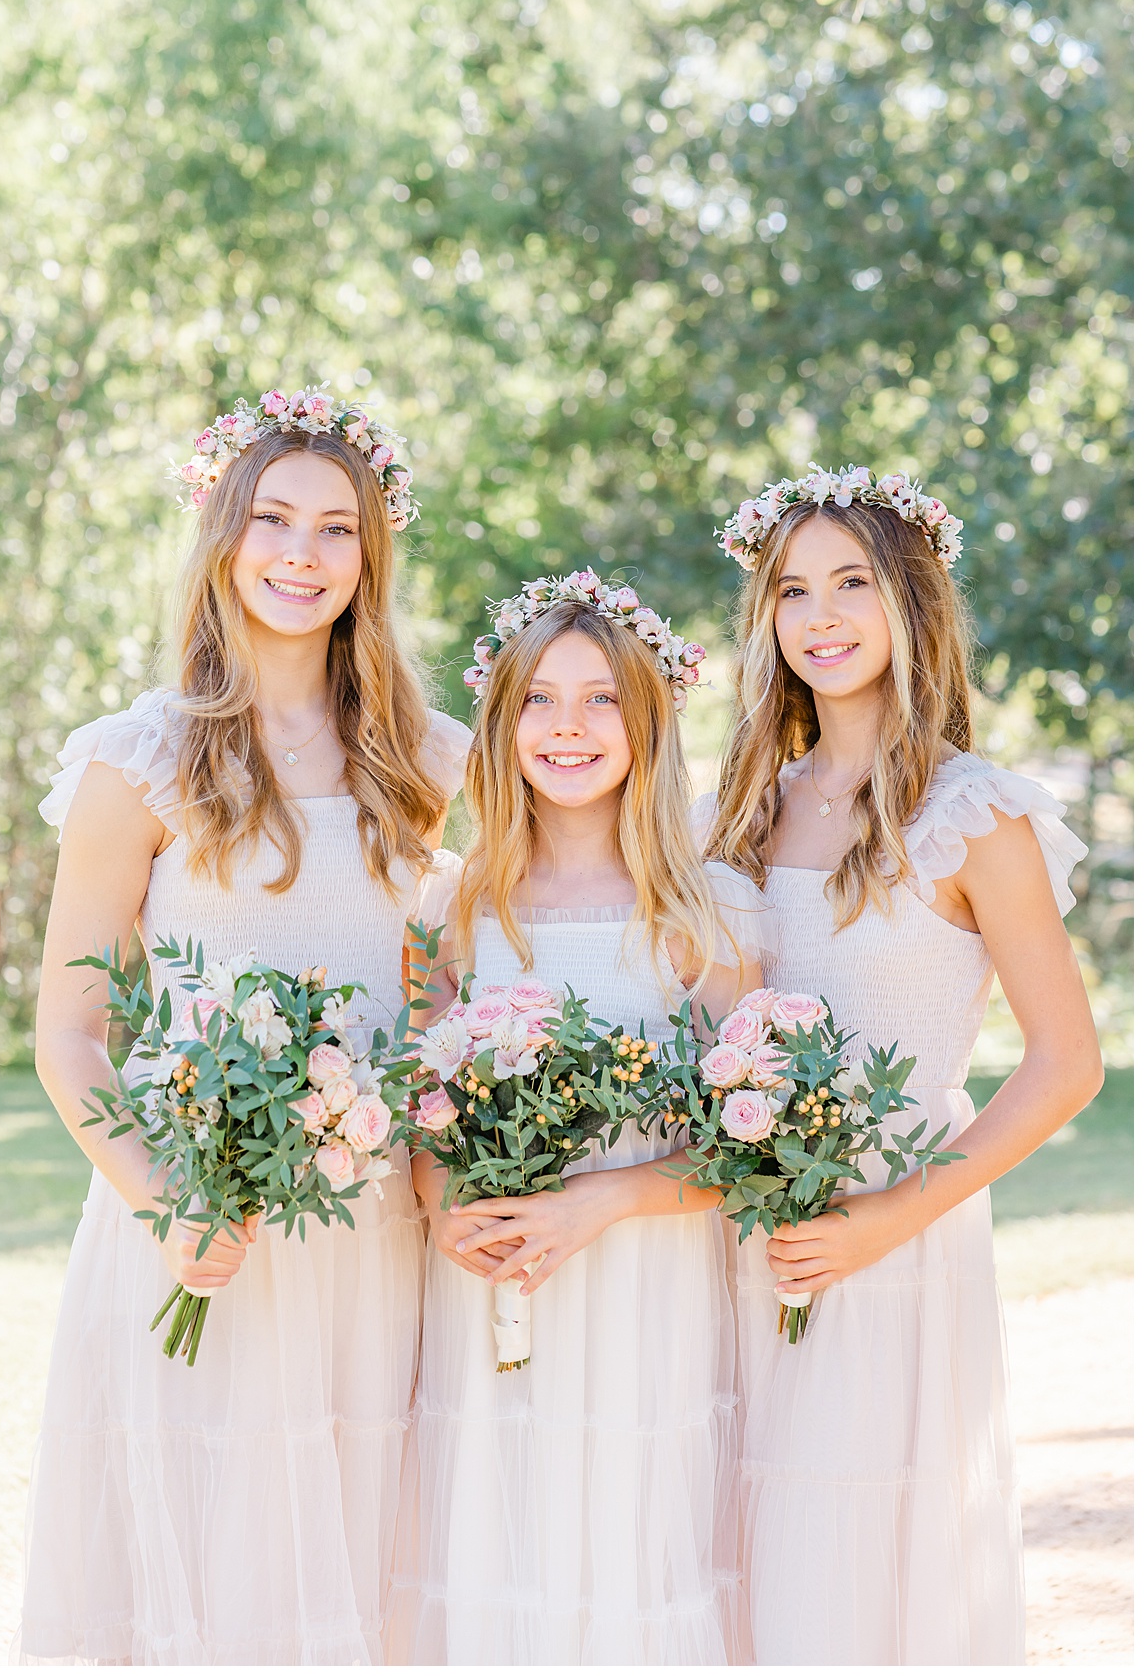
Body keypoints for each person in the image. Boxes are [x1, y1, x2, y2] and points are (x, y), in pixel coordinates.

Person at [17, 386, 471, 1665]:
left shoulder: (423, 760)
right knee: (206, 1582)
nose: (300, 554)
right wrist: (167, 1200)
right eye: (273, 518)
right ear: (222, 536)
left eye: (337, 529)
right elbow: (71, 1030)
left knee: (363, 1567)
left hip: (371, 1229)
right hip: (191, 1215)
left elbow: (428, 997)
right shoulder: (140, 760)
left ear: (369, 558)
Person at [702, 464, 1103, 1665]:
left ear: (912, 600)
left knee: (858, 1553)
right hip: (739, 1223)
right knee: (742, 1540)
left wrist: (888, 1217)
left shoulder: (976, 813)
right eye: (791, 590)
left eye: (852, 583)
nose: (819, 616)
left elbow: (1069, 1062)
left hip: (894, 1227)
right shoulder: (742, 809)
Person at [384, 571, 772, 1665]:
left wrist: (608, 1197)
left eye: (602, 698)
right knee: (503, 1547)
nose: (568, 726)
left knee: (629, 1543)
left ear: (647, 723)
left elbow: (754, 1141)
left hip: (645, 1293)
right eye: (540, 700)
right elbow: (421, 1105)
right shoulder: (454, 906)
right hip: (492, 1294)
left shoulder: (705, 911)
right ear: (501, 724)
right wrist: (443, 1198)